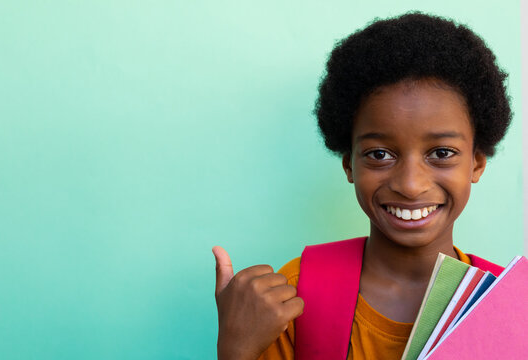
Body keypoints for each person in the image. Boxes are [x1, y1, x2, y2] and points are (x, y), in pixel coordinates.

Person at [212, 12, 511, 360]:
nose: (411, 185)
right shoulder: (295, 296)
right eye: (380, 154)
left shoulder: (508, 304)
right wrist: (236, 349)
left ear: (477, 162)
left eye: (441, 153)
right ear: (349, 164)